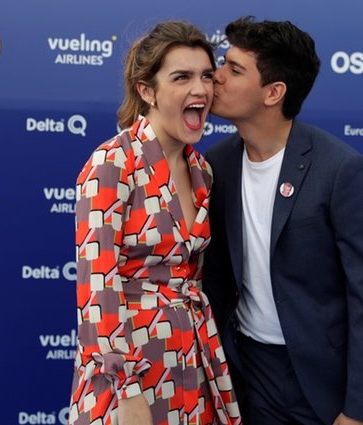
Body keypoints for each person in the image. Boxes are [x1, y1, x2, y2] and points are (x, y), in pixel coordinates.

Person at [202, 16, 363, 425]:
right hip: (247, 371)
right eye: (223, 63)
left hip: (323, 379)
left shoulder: (342, 170)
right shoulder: (215, 165)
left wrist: (359, 411)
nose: (215, 77)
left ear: (274, 92)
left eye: (233, 69)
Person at [69, 21, 242, 425]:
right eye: (181, 77)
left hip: (193, 362)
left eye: (205, 76)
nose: (200, 89)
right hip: (130, 376)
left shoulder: (203, 170)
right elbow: (98, 288)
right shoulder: (112, 163)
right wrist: (125, 391)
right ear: (147, 90)